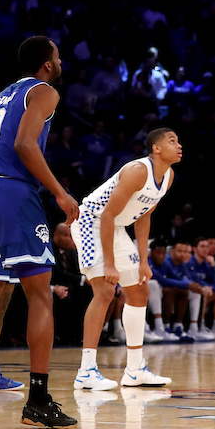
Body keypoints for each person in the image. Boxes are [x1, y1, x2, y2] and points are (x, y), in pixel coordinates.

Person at [0, 36, 80, 427]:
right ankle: (38, 401)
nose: (60, 63)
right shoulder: (45, 91)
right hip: (12, 192)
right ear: (46, 65)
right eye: (57, 58)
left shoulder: (1, 97)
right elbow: (26, 143)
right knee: (41, 296)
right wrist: (59, 192)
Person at [70, 128, 181, 391]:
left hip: (116, 228)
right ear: (156, 148)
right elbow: (107, 216)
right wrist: (109, 263)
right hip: (91, 222)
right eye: (172, 141)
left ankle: (134, 370)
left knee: (139, 290)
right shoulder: (137, 171)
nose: (179, 145)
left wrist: (144, 261)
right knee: (105, 291)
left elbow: (143, 216)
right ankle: (86, 371)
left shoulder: (168, 177)